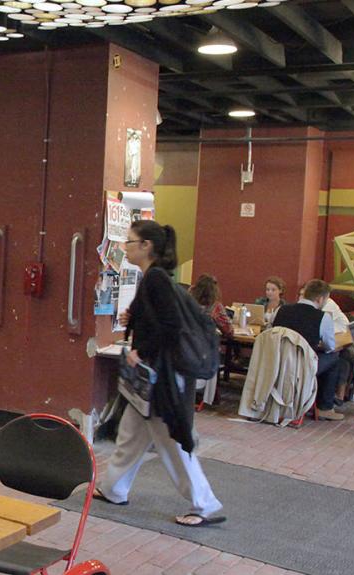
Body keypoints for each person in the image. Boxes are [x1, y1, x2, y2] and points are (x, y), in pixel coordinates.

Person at [95, 220, 224, 527]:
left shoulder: (155, 280)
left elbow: (171, 325)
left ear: (146, 246)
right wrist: (134, 317)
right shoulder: (153, 277)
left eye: (130, 242)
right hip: (153, 377)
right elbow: (157, 317)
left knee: (171, 440)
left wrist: (143, 349)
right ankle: (113, 488)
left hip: (161, 376)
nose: (125, 247)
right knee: (131, 432)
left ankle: (203, 504)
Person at [271, 279, 346, 420]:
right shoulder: (323, 317)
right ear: (321, 298)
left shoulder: (282, 310)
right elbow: (330, 347)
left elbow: (271, 333)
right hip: (302, 367)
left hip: (278, 363)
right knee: (334, 358)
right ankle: (325, 407)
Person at [189, 274, 233, 338]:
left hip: (184, 344)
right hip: (205, 345)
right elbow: (229, 331)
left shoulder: (186, 303)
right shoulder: (216, 307)